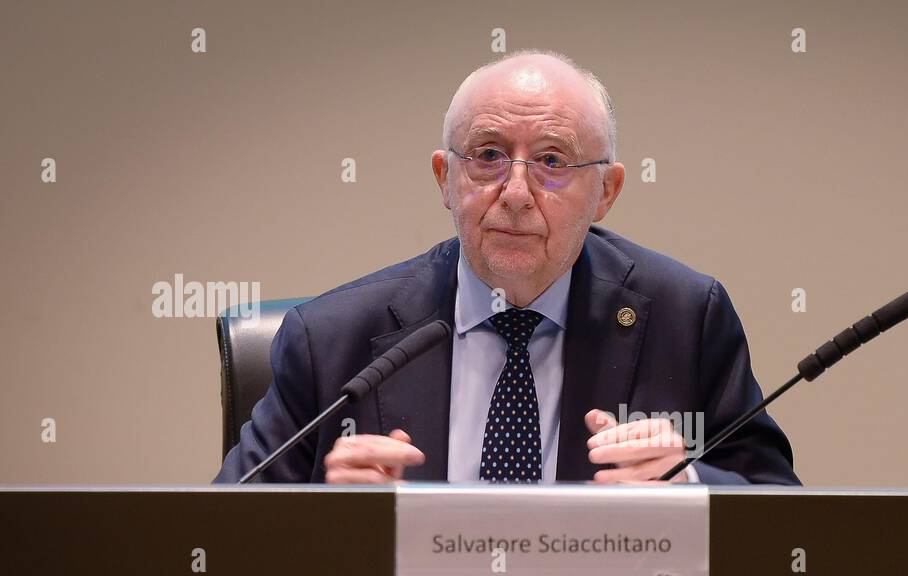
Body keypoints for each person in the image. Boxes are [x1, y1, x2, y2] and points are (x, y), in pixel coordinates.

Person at [213, 49, 799, 486]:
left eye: (552, 161)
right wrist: (318, 514)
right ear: (446, 178)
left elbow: (781, 517)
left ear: (606, 192)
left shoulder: (686, 318)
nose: (516, 193)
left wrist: (692, 487)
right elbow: (217, 537)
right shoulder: (329, 337)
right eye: (489, 156)